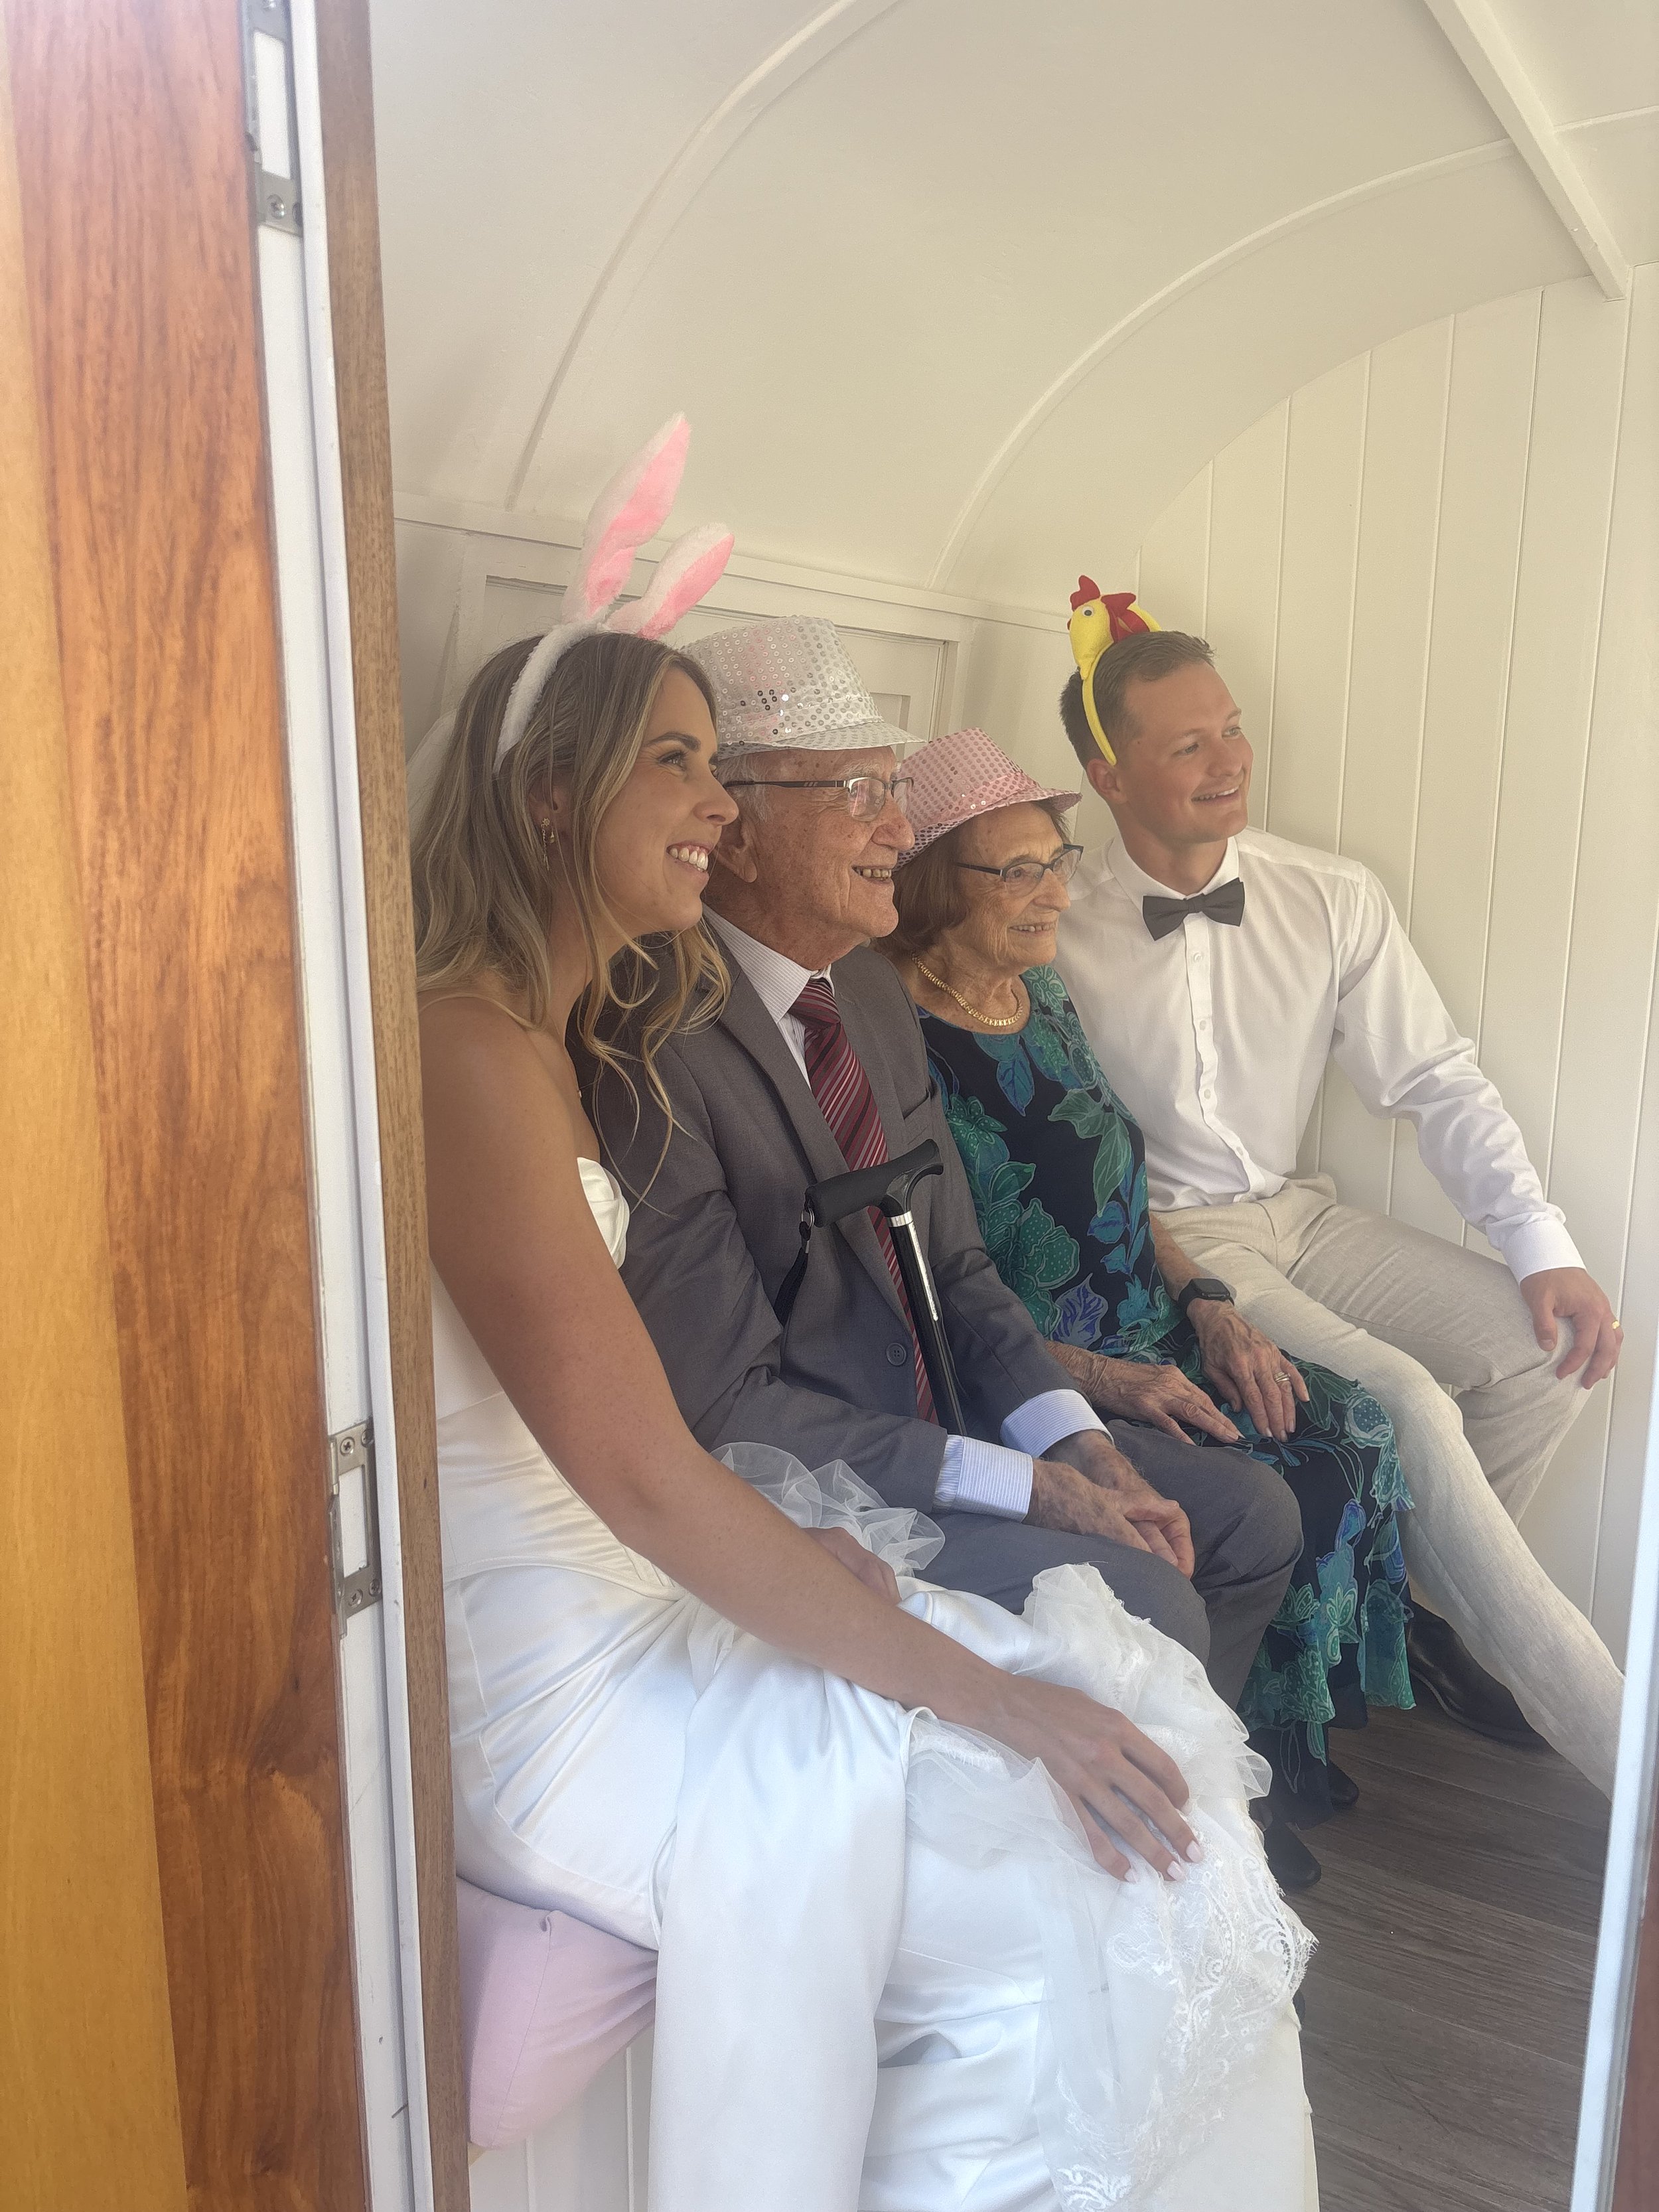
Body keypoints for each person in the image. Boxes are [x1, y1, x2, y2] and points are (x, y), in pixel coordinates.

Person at [406, 445, 1317, 2210]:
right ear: (539, 798)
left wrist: (1054, 1461)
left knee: (1146, 1766)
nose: (713, 806)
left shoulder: (583, 1023)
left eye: (715, 760)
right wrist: (974, 1681)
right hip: (567, 1676)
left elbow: (953, 1282)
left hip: (653, 1587)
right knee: (1057, 1840)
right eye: (672, 763)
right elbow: (656, 1475)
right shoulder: (471, 1056)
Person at [591, 613, 1305, 1718]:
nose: (901, 825)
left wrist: (1084, 1450)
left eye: (897, 785)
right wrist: (1031, 1485)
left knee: (1253, 1516)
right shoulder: (653, 1045)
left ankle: (1187, 1796)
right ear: (736, 831)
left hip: (961, 1416)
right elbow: (733, 1409)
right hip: (838, 1492)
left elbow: (963, 1271)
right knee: (1154, 1600)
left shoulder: (867, 991)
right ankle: (1132, 1803)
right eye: (860, 793)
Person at [1051, 583, 1623, 1795]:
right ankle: (1627, 1752)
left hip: (1301, 1209)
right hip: (1182, 1243)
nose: (1232, 760)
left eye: (1236, 726)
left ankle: (1418, 1609)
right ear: (1110, 775)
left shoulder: (1331, 894)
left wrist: (1540, 1244)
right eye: (1189, 742)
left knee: (1536, 1348)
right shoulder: (1050, 920)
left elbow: (1433, 1078)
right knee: (1410, 1402)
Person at [880, 725, 1415, 1891]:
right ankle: (1201, 1769)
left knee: (1359, 1432)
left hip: (1155, 1323)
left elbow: (1123, 1180)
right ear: (927, 886)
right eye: (1014, 871)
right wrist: (1112, 1381)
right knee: (1283, 1482)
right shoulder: (896, 1039)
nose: (1053, 891)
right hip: (1045, 1370)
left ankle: (1254, 1756)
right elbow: (943, 1298)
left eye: (1055, 860)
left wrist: (1212, 1304)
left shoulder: (1042, 992)